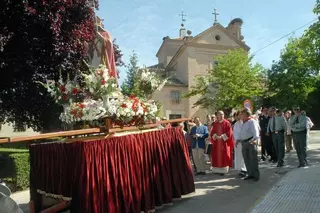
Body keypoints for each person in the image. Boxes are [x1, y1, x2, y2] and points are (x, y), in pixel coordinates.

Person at [236, 108, 260, 182]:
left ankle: (256, 175)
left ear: (246, 114)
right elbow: (242, 133)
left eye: (242, 114)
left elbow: (256, 133)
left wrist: (252, 140)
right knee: (246, 159)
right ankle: (250, 174)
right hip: (244, 142)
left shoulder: (252, 122)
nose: (241, 115)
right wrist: (238, 140)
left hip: (250, 142)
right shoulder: (244, 122)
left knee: (253, 159)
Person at [210, 111, 234, 175]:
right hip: (217, 143)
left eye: (222, 114)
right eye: (220, 114)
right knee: (216, 156)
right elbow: (212, 132)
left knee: (224, 156)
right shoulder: (215, 123)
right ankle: (217, 170)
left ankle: (224, 170)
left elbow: (229, 133)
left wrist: (221, 137)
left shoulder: (227, 123)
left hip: (224, 143)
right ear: (217, 115)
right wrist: (215, 136)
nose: (222, 115)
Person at [233, 111, 247, 177]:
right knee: (238, 156)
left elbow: (243, 132)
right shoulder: (236, 124)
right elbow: (234, 133)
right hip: (237, 142)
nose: (239, 116)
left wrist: (240, 139)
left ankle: (244, 169)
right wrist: (236, 139)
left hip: (243, 141)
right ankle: (240, 169)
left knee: (243, 156)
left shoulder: (245, 122)